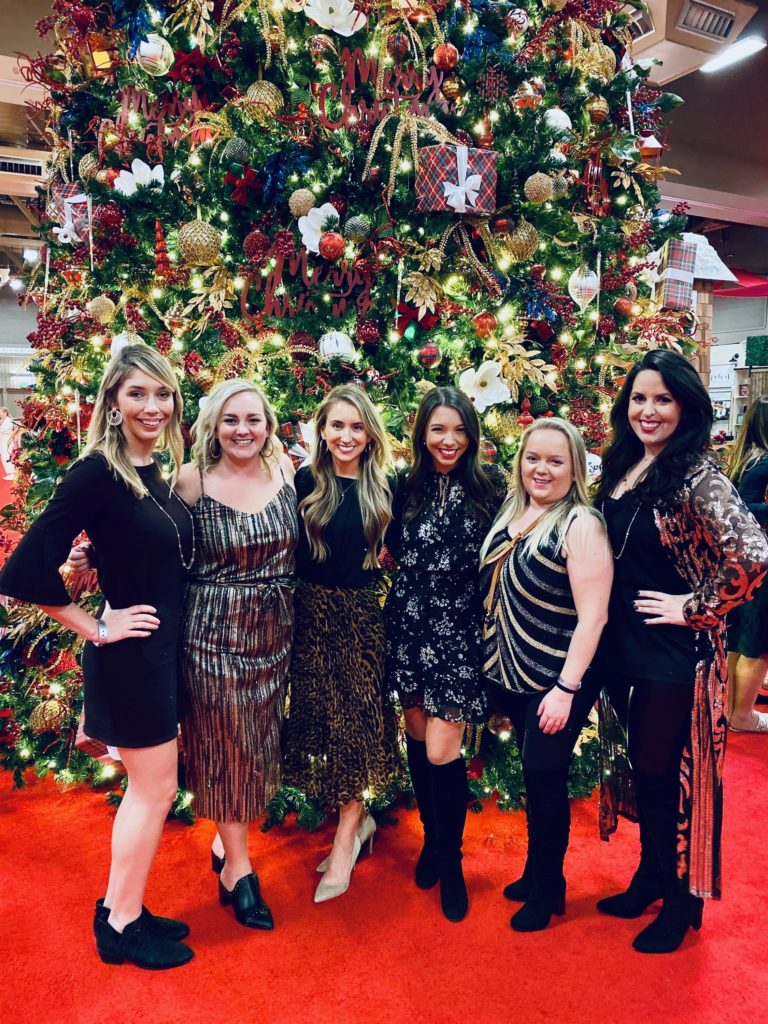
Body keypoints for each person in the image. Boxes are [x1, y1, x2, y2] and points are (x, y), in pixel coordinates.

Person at [0, 344, 194, 970]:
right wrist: (95, 626)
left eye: (162, 394)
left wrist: (97, 562)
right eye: (137, 394)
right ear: (112, 402)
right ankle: (120, 925)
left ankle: (123, 904)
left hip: (160, 654)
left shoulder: (150, 472)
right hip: (132, 658)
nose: (153, 406)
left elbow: (134, 545)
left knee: (153, 788)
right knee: (152, 790)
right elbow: (24, 568)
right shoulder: (97, 472)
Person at [594, 350, 768, 954]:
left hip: (677, 654)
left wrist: (694, 605)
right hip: (621, 648)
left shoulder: (699, 476)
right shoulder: (624, 466)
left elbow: (753, 554)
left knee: (671, 777)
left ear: (686, 407)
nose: (648, 411)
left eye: (663, 400)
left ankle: (681, 900)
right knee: (643, 770)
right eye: (640, 398)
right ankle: (648, 877)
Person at [479, 419, 612, 932]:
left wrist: (565, 689)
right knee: (535, 777)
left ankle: (549, 887)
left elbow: (594, 616)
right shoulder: (514, 509)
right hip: (515, 670)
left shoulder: (581, 523)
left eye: (556, 461)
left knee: (544, 778)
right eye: (533, 457)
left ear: (575, 467)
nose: (542, 469)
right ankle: (536, 872)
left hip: (559, 677)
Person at [174, 379, 297, 929]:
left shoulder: (287, 474)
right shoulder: (192, 481)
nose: (243, 430)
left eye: (253, 419)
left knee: (259, 745)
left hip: (275, 634)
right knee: (227, 749)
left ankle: (227, 851)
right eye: (231, 420)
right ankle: (241, 873)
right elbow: (157, 547)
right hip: (212, 634)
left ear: (268, 424)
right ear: (213, 428)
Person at [385, 386, 507, 922]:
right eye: (438, 429)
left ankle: (451, 859)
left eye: (458, 430)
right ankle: (433, 843)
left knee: (442, 750)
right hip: (408, 627)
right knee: (416, 737)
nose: (449, 440)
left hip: (459, 633)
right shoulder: (401, 486)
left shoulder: (492, 487)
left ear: (472, 435)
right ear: (422, 433)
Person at [281, 384, 401, 903]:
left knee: (356, 724)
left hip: (360, 618)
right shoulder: (304, 479)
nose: (346, 436)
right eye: (337, 426)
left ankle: (349, 833)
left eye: (357, 427)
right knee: (318, 720)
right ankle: (358, 820)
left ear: (370, 434)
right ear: (322, 431)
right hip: (308, 613)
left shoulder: (387, 487)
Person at [726, 397, 768, 733]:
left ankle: (735, 709)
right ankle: (742, 714)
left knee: (742, 638)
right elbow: (747, 507)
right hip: (759, 561)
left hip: (744, 560)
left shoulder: (744, 460)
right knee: (757, 642)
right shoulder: (763, 463)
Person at [0, 406, 15, 479]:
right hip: (2, 440)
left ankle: (12, 472)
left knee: (7, 455)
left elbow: (5, 430)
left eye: (0, 412)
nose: (0, 414)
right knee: (3, 455)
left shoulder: (8, 420)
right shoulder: (2, 420)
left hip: (7, 440)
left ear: (5, 413)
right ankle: (9, 472)